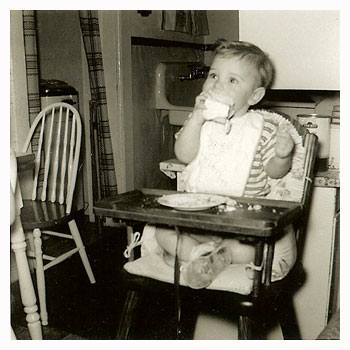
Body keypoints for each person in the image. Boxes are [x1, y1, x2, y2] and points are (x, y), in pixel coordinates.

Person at [154, 39, 297, 289]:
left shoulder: (262, 129)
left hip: (241, 223)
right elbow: (184, 154)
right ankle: (198, 255)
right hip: (197, 219)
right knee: (162, 233)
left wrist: (282, 157)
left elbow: (273, 172)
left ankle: (219, 256)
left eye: (232, 80)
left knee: (251, 249)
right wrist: (197, 118)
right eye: (213, 75)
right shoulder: (200, 122)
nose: (217, 84)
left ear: (254, 96)